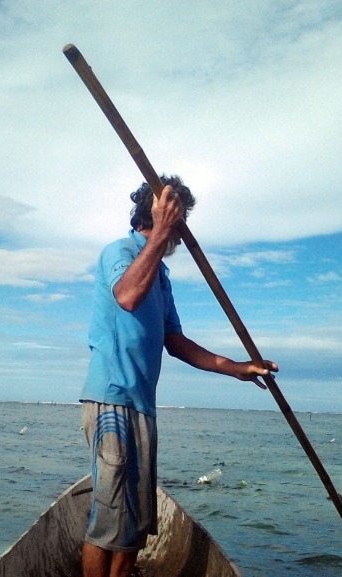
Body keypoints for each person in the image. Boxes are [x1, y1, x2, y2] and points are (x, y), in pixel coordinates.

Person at [79, 175, 278, 577]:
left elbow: (176, 342)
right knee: (109, 522)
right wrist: (161, 233)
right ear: (154, 215)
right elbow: (127, 296)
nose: (181, 233)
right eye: (177, 220)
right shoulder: (122, 251)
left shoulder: (162, 275)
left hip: (142, 407)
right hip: (112, 400)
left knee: (134, 523)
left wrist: (237, 368)